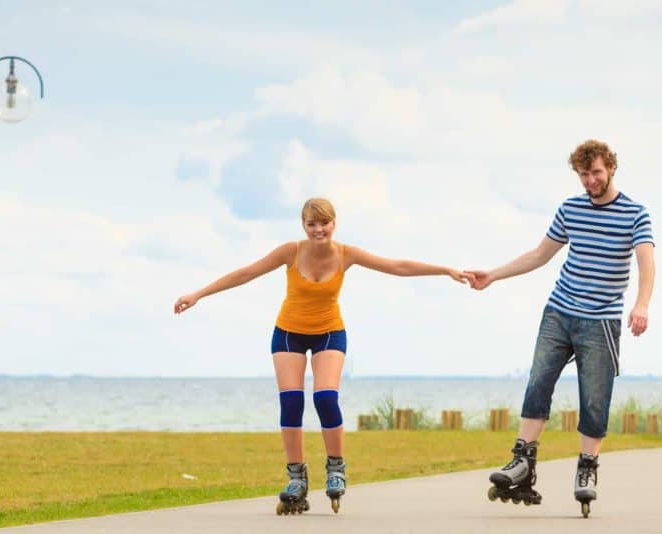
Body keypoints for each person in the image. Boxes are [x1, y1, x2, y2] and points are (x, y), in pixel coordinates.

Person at [174, 197, 473, 515]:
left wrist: (445, 270)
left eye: (324, 223)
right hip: (288, 333)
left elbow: (397, 266)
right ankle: (296, 477)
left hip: (329, 332)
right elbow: (246, 273)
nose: (318, 230)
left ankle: (336, 468)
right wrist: (198, 294)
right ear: (303, 225)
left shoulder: (347, 254)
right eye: (311, 224)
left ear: (334, 223)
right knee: (291, 401)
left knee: (325, 397)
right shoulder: (291, 252)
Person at [468, 140, 655, 517]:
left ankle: (587, 468)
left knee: (594, 398)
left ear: (611, 169)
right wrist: (494, 275)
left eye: (596, 173)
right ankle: (522, 463)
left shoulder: (635, 213)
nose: (590, 181)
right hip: (559, 311)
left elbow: (646, 262)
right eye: (584, 175)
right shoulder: (570, 209)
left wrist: (641, 304)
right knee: (538, 381)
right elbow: (540, 254)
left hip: (601, 319)